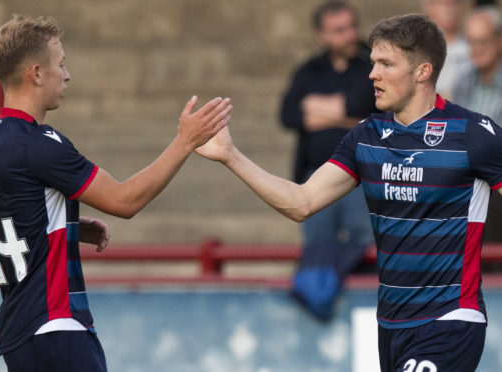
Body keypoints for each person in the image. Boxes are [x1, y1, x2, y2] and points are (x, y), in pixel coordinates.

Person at [196, 14, 502, 371]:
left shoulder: (473, 135)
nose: (372, 74)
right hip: (390, 326)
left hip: (451, 319)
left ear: (422, 71)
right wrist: (230, 157)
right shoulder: (366, 136)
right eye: (373, 63)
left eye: (386, 64)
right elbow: (302, 202)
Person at [0, 15, 232, 372]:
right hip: (57, 327)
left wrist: (66, 226)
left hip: (18, 335)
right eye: (60, 64)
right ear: (36, 73)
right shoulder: (42, 144)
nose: (67, 74)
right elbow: (125, 201)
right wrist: (185, 141)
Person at [280, 0, 376, 321]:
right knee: (318, 249)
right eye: (339, 30)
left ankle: (363, 311)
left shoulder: (371, 64)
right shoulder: (308, 71)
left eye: (351, 26)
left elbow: (363, 105)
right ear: (322, 36)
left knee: (365, 247)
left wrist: (316, 108)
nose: (349, 35)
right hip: (315, 177)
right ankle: (321, 305)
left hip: (362, 179)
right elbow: (289, 114)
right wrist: (343, 113)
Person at [452, 6, 502, 243]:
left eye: (483, 41)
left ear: (499, 40)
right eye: (472, 42)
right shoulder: (464, 80)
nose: (477, 49)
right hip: (468, 174)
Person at [421, 0, 471, 99]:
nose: (449, 8)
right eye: (442, 3)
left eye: (455, 2)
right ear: (428, 7)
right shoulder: (417, 49)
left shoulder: (474, 50)